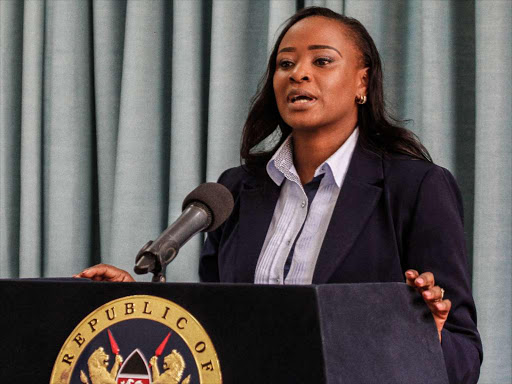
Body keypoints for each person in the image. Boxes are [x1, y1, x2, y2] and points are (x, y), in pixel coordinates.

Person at [76, 7, 482, 383]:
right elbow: (211, 334)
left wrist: (431, 339)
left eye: (321, 61)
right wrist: (134, 305)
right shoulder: (233, 190)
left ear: (363, 81)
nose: (298, 74)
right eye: (285, 64)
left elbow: (464, 360)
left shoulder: (416, 187)